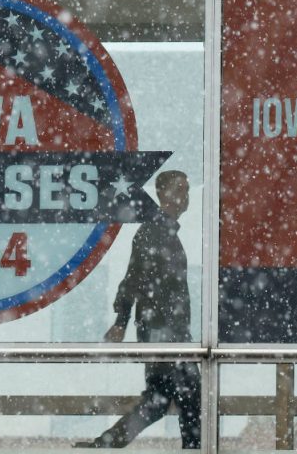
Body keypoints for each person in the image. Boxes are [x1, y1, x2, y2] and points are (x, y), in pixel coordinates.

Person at [75, 170, 201, 449]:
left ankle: (106, 444)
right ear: (163, 195)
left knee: (160, 399)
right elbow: (132, 279)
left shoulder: (163, 233)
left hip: (167, 332)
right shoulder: (153, 233)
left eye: (187, 190)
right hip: (162, 333)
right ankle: (195, 448)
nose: (185, 196)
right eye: (179, 189)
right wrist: (122, 320)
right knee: (189, 394)